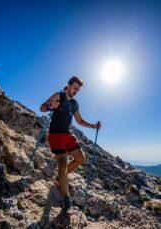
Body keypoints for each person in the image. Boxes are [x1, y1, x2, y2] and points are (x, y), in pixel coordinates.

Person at [40, 76, 101, 213]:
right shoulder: (58, 96)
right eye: (74, 88)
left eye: (78, 90)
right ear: (69, 85)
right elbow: (42, 108)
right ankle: (67, 199)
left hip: (67, 135)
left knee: (81, 158)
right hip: (56, 135)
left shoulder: (75, 104)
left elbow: (79, 121)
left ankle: (58, 178)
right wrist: (50, 106)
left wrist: (93, 126)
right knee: (62, 163)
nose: (76, 91)